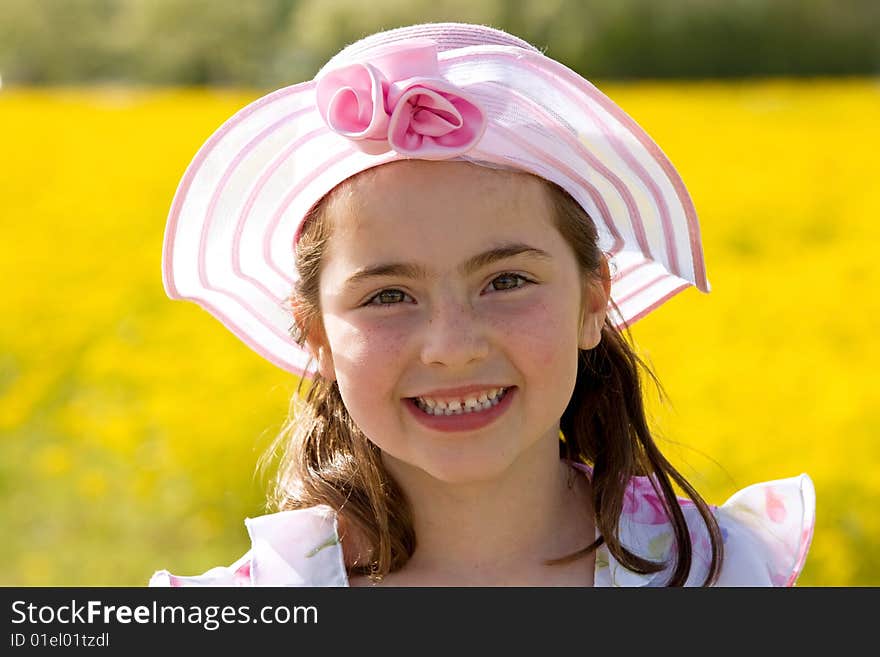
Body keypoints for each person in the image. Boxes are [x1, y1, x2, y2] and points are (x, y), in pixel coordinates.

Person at [150, 22, 814, 587]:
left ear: (592, 300)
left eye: (505, 281)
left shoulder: (716, 573)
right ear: (314, 334)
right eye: (388, 295)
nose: (453, 343)